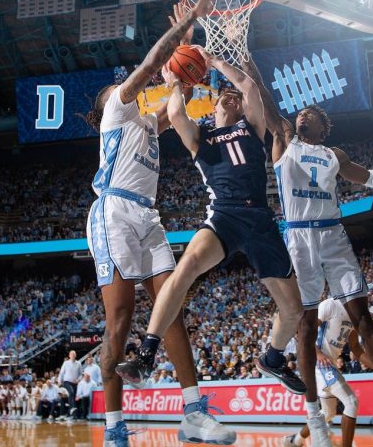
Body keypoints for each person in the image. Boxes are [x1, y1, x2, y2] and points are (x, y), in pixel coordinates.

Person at [239, 53, 373, 445]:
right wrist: (245, 57)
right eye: (300, 112)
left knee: (362, 318)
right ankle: (314, 417)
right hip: (298, 236)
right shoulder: (282, 138)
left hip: (332, 235)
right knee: (306, 324)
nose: (302, 114)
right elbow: (262, 94)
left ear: (323, 127)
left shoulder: (335, 156)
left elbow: (372, 178)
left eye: (310, 112)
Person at [116, 45, 314, 438]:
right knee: (186, 265)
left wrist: (217, 62)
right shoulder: (203, 137)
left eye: (234, 96)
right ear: (213, 107)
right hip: (224, 215)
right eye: (225, 95)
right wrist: (176, 81)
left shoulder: (251, 128)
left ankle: (273, 359)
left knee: (293, 310)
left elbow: (252, 89)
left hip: (260, 219)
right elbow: (175, 114)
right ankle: (146, 354)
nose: (232, 96)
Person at [86, 0, 234, 446]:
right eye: (123, 84)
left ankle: (193, 411)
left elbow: (175, 88)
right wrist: (185, 22)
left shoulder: (149, 122)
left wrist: (190, 41)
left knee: (171, 310)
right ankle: (114, 428)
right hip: (112, 211)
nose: (132, 86)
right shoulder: (116, 108)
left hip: (147, 217)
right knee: (120, 320)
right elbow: (153, 65)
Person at [283, 298, 373, 447]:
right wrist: (318, 354)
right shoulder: (331, 304)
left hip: (330, 363)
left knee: (328, 413)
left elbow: (355, 348)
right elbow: (304, 333)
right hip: (320, 362)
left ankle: (296, 440)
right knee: (351, 402)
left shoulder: (354, 314)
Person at [58, 350, 82, 417]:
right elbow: (61, 373)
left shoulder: (79, 363)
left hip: (75, 383)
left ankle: (70, 414)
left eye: (74, 354)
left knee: (73, 397)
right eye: (71, 354)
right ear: (69, 356)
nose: (73, 356)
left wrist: (78, 380)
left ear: (76, 355)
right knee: (71, 393)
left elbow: (81, 374)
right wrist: (59, 381)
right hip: (67, 382)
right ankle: (72, 408)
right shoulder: (66, 363)